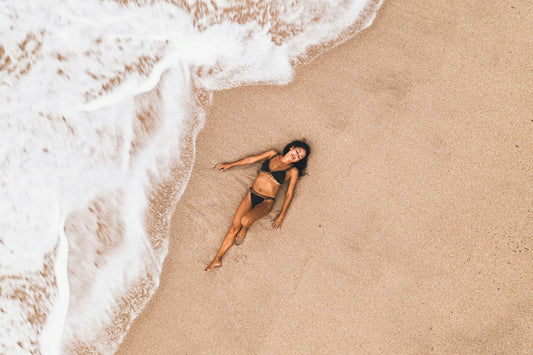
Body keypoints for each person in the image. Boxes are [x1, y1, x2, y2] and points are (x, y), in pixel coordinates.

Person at [204, 140, 310, 272]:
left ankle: (245, 229)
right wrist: (230, 164)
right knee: (233, 228)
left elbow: (289, 194)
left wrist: (281, 216)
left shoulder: (292, 171)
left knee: (245, 220)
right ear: (292, 147)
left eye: (300, 157)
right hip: (251, 194)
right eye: (298, 151)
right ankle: (217, 259)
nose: (297, 155)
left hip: (266, 202)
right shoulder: (272, 154)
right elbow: (251, 159)